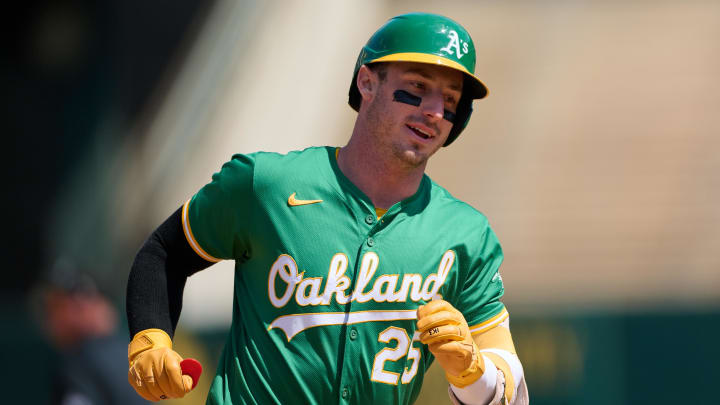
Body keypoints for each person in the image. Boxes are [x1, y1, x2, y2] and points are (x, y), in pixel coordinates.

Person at [126, 12, 528, 405]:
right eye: (417, 87)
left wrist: (474, 373)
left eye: (451, 99)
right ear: (367, 82)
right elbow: (165, 252)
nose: (435, 111)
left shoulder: (465, 233)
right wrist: (150, 340)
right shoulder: (266, 184)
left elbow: (510, 385)